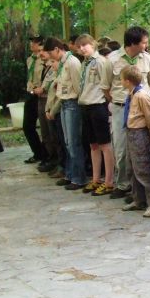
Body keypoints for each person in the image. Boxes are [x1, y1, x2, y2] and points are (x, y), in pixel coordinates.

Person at [101, 26, 150, 200]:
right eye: (144, 42)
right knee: (121, 148)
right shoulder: (112, 60)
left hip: (143, 109)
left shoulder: (147, 59)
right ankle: (124, 184)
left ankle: (139, 189)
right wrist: (121, 104)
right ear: (133, 43)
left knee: (142, 149)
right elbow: (105, 88)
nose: (147, 45)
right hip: (121, 108)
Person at [41, 37, 87, 190]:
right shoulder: (61, 63)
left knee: (74, 143)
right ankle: (70, 174)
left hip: (73, 104)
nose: (49, 56)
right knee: (67, 142)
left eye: (49, 52)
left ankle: (78, 178)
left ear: (56, 49)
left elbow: (78, 86)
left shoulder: (72, 62)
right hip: (64, 104)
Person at [76, 34, 115, 196]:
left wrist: (108, 104)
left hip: (98, 105)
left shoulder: (100, 62)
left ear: (93, 44)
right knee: (93, 145)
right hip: (86, 105)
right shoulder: (84, 64)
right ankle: (96, 178)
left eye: (85, 45)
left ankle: (109, 181)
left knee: (105, 144)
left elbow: (107, 85)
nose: (82, 48)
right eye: (79, 47)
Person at [121, 65, 150, 216]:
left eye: (122, 79)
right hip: (130, 132)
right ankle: (138, 199)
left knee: (143, 167)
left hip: (139, 133)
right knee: (131, 168)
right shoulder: (131, 94)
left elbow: (149, 116)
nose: (121, 82)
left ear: (128, 81)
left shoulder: (141, 96)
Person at [23, 35, 47, 164]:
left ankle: (46, 154)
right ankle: (38, 152)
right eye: (31, 41)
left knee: (45, 128)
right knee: (27, 126)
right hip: (31, 94)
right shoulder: (29, 59)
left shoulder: (44, 59)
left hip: (41, 94)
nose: (32, 44)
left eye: (36, 42)